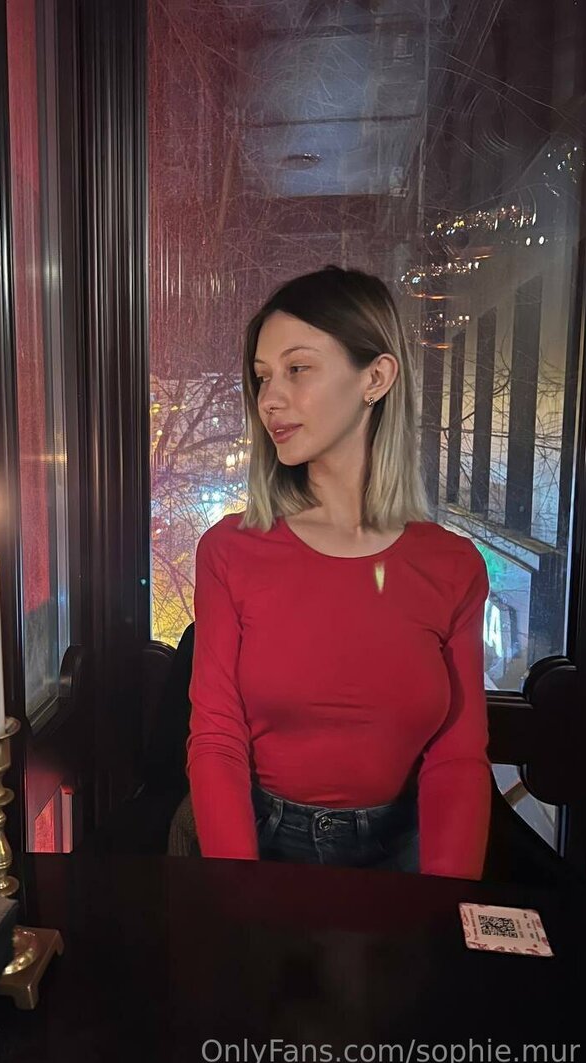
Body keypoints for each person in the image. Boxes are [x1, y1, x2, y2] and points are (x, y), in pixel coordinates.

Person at [185, 265, 491, 880]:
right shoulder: (230, 550)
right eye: (262, 377)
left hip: (405, 850)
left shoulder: (453, 567)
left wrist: (444, 902)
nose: (269, 399)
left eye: (297, 369)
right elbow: (216, 738)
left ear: (375, 377)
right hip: (259, 843)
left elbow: (458, 758)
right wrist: (236, 895)